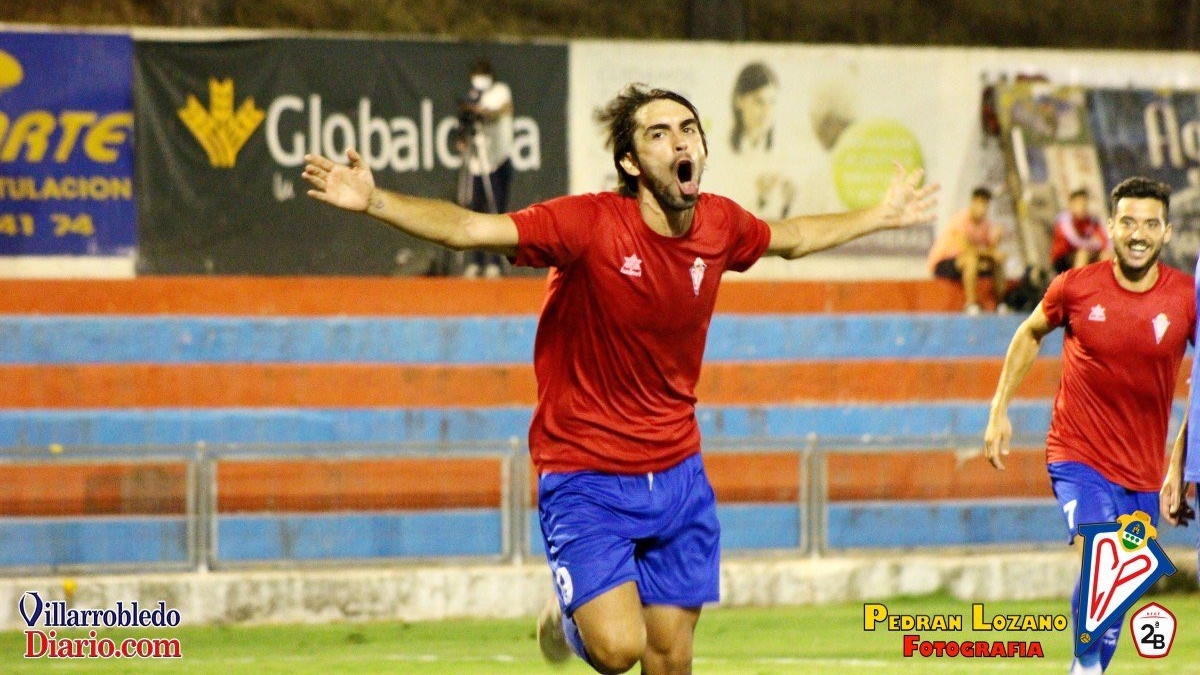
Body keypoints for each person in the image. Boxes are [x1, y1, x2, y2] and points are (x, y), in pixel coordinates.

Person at [303, 83, 938, 675]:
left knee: (669, 661)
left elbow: (793, 238)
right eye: (658, 133)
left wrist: (879, 216)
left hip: (678, 471)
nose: (679, 140)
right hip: (585, 470)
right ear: (632, 162)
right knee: (617, 651)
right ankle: (570, 618)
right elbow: (473, 229)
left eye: (687, 128)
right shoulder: (587, 225)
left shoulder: (720, 224)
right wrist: (376, 201)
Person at [983, 176, 1194, 675]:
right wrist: (999, 409)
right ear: (1110, 228)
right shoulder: (1076, 287)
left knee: (1123, 579)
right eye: (1128, 222)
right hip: (1077, 454)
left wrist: (1180, 460)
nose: (1138, 233)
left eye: (1150, 223)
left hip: (1142, 469)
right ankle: (1084, 664)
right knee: (1102, 548)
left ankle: (1089, 667)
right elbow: (1030, 330)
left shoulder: (1186, 298)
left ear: (1166, 232)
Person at [456, 58, 514, 278]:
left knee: (497, 211)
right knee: (475, 211)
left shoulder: (500, 91)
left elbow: (503, 109)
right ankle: (476, 261)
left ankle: (495, 262)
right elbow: (464, 122)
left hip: (498, 160)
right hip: (477, 163)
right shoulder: (472, 95)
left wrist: (483, 112)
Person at [927, 186, 1008, 315]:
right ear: (973, 202)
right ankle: (971, 304)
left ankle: (1001, 303)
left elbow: (989, 250)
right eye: (980, 204)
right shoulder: (960, 219)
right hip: (944, 263)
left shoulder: (985, 224)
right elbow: (966, 248)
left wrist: (996, 242)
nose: (983, 209)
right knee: (971, 260)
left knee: (996, 261)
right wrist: (991, 253)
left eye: (985, 205)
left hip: (968, 261)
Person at [1051, 187, 1112, 274]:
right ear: (1071, 205)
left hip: (1085, 251)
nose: (1083, 207)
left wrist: (1101, 247)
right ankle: (1078, 284)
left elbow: (1104, 241)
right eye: (1079, 204)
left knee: (1105, 255)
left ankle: (1107, 283)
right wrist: (1094, 243)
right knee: (1083, 254)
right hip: (1062, 259)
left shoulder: (1091, 220)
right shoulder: (1064, 221)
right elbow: (1075, 241)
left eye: (1084, 204)